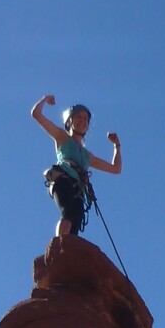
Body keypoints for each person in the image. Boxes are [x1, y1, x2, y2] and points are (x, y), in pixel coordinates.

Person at [31, 95, 121, 238]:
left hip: (78, 190)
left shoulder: (87, 155)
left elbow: (115, 169)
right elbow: (36, 114)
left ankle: (67, 250)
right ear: (69, 121)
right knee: (69, 212)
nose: (83, 121)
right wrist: (45, 99)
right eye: (78, 117)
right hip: (63, 179)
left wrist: (116, 146)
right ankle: (60, 247)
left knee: (76, 220)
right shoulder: (62, 137)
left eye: (85, 118)